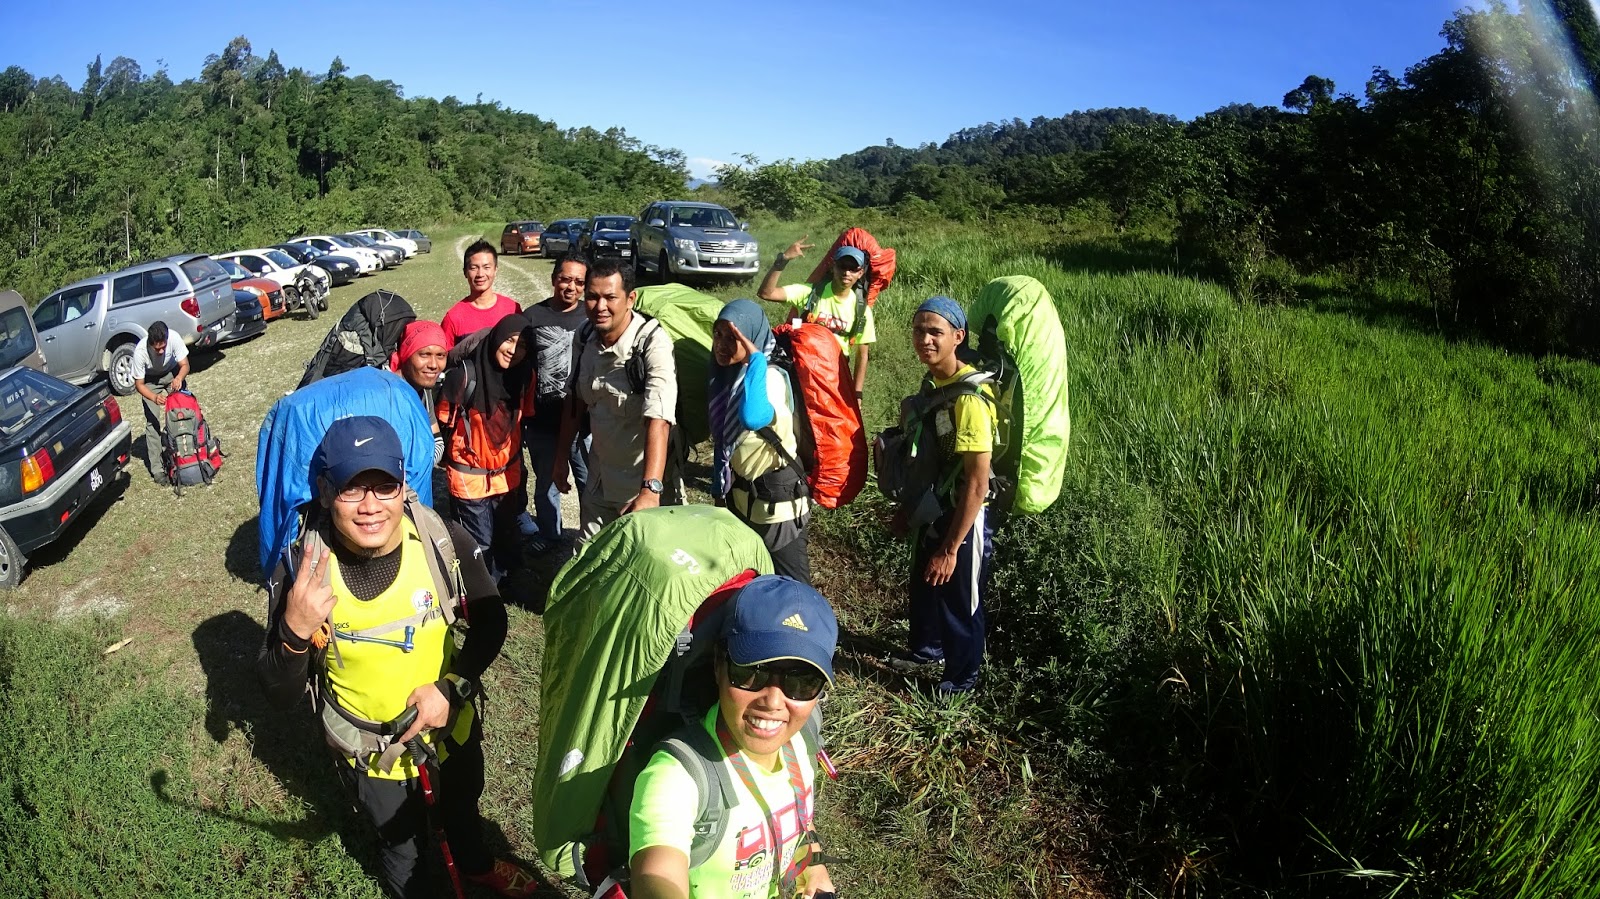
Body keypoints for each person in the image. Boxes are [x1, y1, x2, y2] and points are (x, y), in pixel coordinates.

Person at [255, 416, 541, 899]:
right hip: (371, 754)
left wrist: (453, 687)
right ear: (325, 492)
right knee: (400, 845)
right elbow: (277, 692)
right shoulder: (305, 570)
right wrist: (295, 630)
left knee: (463, 807)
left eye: (383, 486)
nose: (371, 507)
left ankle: (476, 866)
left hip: (451, 727)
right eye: (351, 489)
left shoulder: (440, 540)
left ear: (403, 485)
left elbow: (492, 622)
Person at [629, 576, 838, 899]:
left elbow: (797, 820)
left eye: (802, 681)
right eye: (751, 672)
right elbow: (657, 874)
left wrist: (814, 866)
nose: (772, 700)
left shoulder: (802, 740)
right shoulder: (677, 774)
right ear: (718, 666)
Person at [888, 297, 994, 696]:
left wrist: (952, 546)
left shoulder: (968, 400)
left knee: (958, 599)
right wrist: (907, 510)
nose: (925, 339)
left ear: (958, 337)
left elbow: (977, 483)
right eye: (919, 330)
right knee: (926, 583)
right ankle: (926, 651)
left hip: (966, 514)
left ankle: (962, 680)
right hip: (936, 507)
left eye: (935, 332)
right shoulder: (935, 385)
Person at [553, 257, 676, 542]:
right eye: (593, 297)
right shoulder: (585, 337)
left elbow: (659, 419)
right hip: (599, 477)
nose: (600, 307)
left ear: (630, 298)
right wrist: (560, 458)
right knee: (589, 559)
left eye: (610, 297)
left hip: (640, 483)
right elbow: (576, 401)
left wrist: (650, 490)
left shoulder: (652, 344)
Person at [709, 300, 812, 583]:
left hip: (777, 509)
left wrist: (755, 359)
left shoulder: (769, 377)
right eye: (718, 334)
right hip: (745, 502)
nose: (721, 344)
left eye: (734, 337)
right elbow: (723, 442)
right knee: (752, 582)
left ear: (753, 338)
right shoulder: (729, 376)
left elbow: (753, 417)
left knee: (793, 589)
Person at [437, 314, 537, 585]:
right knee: (478, 541)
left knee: (506, 533)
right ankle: (483, 595)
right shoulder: (464, 376)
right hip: (470, 477)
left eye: (523, 345)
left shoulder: (526, 376)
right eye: (510, 340)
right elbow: (443, 419)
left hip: (507, 475)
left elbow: (524, 416)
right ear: (496, 337)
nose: (514, 350)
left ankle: (509, 581)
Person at [522, 254, 591, 550]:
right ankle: (550, 535)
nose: (571, 287)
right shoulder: (532, 317)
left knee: (590, 482)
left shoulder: (591, 317)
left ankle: (594, 537)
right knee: (546, 484)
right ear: (553, 280)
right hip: (542, 421)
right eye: (565, 279)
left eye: (579, 282)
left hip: (585, 424)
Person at [756, 240, 876, 399]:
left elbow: (862, 355)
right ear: (833, 266)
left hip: (835, 377)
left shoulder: (862, 311)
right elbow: (766, 293)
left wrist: (857, 394)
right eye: (842, 266)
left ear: (860, 273)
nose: (847, 273)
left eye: (853, 269)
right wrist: (783, 259)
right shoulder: (809, 293)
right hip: (801, 371)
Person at [132, 320, 190, 484]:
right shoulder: (140, 352)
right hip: (149, 381)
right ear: (150, 344)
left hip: (172, 373)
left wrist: (179, 378)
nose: (162, 351)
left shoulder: (174, 338)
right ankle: (157, 469)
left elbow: (185, 365)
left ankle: (186, 454)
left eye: (164, 347)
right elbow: (139, 385)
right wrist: (154, 397)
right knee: (153, 422)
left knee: (182, 412)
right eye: (157, 349)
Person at [389, 319, 449, 465]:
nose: (434, 365)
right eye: (424, 355)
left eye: (440, 355)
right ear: (406, 355)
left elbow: (438, 442)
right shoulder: (388, 394)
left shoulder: (423, 389)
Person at [442, 241, 521, 347]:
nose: (480, 274)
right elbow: (445, 359)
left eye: (486, 267)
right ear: (465, 272)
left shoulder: (512, 309)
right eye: (474, 268)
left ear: (495, 270)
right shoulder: (453, 318)